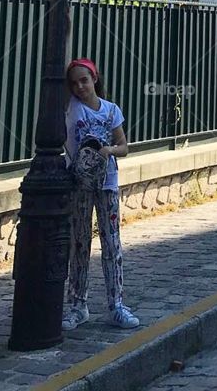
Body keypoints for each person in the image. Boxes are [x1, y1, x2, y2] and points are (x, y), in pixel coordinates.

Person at [62, 57, 140, 330]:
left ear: (94, 79)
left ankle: (116, 303)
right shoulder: (72, 108)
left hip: (106, 182)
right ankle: (77, 304)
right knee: (80, 244)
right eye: (74, 83)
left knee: (111, 242)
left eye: (84, 80)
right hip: (80, 184)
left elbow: (124, 146)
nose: (80, 87)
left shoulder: (110, 111)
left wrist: (108, 150)